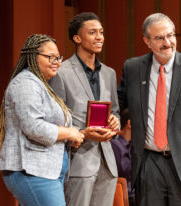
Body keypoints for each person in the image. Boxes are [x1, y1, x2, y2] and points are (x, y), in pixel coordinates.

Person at [117, 13, 181, 206]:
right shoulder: (132, 68)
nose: (167, 42)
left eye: (170, 35)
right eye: (159, 38)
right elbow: (117, 104)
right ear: (146, 41)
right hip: (148, 164)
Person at [0, 34, 84, 206]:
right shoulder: (26, 83)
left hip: (47, 171)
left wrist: (71, 137)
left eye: (58, 57)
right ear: (32, 57)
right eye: (50, 57)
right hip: (31, 171)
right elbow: (33, 127)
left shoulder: (41, 84)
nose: (56, 61)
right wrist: (68, 133)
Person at [49, 12, 120, 206]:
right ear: (77, 38)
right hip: (78, 163)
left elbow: (115, 112)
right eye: (92, 32)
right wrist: (82, 134)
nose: (99, 37)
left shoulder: (109, 73)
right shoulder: (61, 72)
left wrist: (115, 121)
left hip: (107, 164)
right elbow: (55, 121)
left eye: (101, 32)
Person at [111, 108, 135, 206]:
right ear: (129, 124)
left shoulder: (131, 146)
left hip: (133, 195)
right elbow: (124, 172)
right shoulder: (115, 145)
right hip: (125, 196)